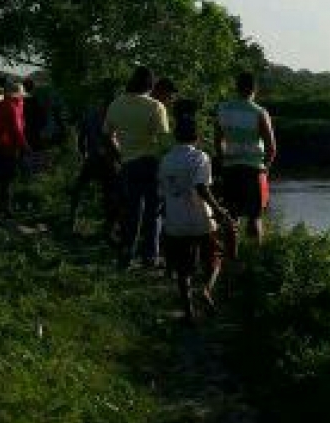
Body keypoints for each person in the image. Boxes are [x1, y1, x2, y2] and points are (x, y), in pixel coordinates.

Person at [159, 99, 232, 324]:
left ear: (175, 137)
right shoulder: (201, 157)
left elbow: (164, 191)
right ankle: (207, 289)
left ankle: (189, 313)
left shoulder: (165, 160)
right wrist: (219, 211)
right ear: (197, 138)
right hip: (201, 220)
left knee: (183, 269)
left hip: (175, 222)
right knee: (214, 258)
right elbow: (202, 188)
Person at [105, 65, 171, 268]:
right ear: (151, 85)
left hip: (128, 163)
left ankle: (127, 252)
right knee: (154, 211)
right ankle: (150, 256)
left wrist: (120, 152)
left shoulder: (116, 104)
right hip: (152, 163)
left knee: (132, 210)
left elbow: (108, 135)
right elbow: (164, 141)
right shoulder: (156, 106)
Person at [216, 72, 277, 243]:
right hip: (254, 169)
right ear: (254, 89)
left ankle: (231, 257)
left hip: (231, 169)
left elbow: (217, 141)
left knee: (231, 215)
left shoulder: (223, 110)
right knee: (255, 217)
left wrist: (224, 162)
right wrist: (265, 169)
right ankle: (254, 257)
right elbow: (272, 148)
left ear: (236, 87)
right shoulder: (259, 112)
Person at [70, 95, 120, 240]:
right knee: (111, 195)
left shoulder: (90, 115)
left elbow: (81, 139)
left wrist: (84, 153)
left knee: (79, 188)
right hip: (108, 162)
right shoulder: (113, 118)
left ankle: (72, 220)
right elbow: (112, 141)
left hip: (92, 160)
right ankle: (109, 229)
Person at [0, 80, 30, 218]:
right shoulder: (13, 107)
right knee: (8, 180)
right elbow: (17, 130)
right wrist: (25, 146)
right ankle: (6, 209)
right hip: (9, 148)